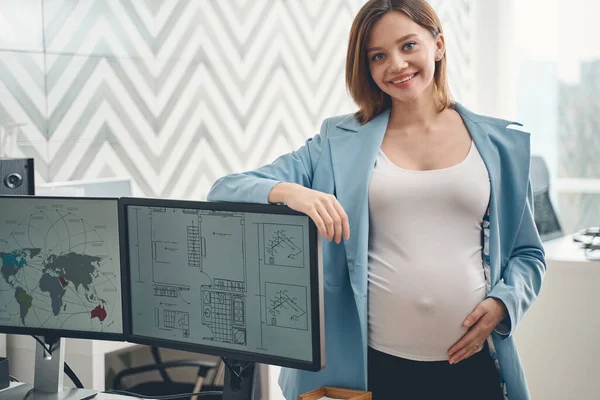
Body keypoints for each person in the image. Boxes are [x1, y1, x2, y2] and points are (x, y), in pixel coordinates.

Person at [207, 0, 546, 399]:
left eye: (408, 46)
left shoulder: (499, 145)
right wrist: (293, 191)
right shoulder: (338, 142)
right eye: (378, 56)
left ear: (437, 45)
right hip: (371, 371)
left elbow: (528, 254)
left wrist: (505, 306)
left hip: (474, 367)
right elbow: (225, 189)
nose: (396, 65)